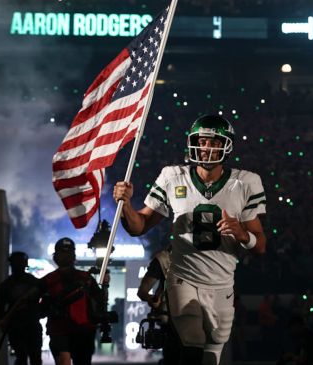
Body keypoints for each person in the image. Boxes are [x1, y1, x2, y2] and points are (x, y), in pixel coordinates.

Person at [113, 115, 267, 365]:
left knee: (213, 350)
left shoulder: (246, 183)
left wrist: (241, 234)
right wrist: (126, 205)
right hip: (183, 278)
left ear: (226, 145)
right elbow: (138, 226)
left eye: (213, 142)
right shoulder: (172, 176)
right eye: (202, 141)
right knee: (192, 340)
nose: (206, 147)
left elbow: (260, 245)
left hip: (222, 282)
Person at [38, 238, 101, 365]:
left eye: (68, 253)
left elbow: (99, 300)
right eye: (62, 253)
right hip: (59, 329)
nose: (65, 256)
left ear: (73, 256)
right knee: (64, 359)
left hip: (83, 330)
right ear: (56, 256)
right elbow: (36, 303)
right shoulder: (48, 280)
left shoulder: (86, 278)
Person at [0, 252, 42, 365]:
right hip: (20, 326)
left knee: (27, 357)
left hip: (27, 325)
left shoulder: (33, 282)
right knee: (27, 357)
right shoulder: (33, 282)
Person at [137, 245, 180, 365]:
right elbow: (142, 291)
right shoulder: (164, 258)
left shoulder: (206, 254)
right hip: (171, 321)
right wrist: (152, 299)